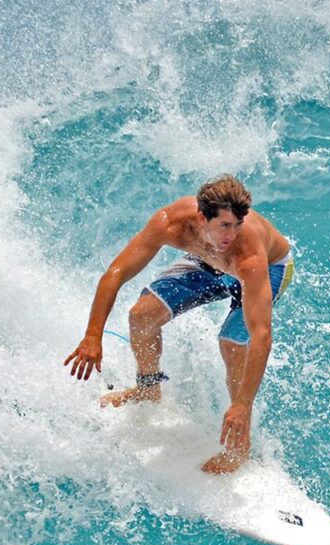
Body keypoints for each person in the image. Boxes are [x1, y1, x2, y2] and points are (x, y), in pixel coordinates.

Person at [63, 175, 295, 474]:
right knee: (141, 316)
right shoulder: (169, 223)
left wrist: (243, 404)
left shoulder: (247, 255)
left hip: (269, 269)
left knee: (233, 343)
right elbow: (116, 273)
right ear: (202, 218)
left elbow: (261, 336)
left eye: (238, 224)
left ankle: (239, 447)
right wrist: (92, 336)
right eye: (225, 225)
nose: (232, 234)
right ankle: (148, 389)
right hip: (209, 261)